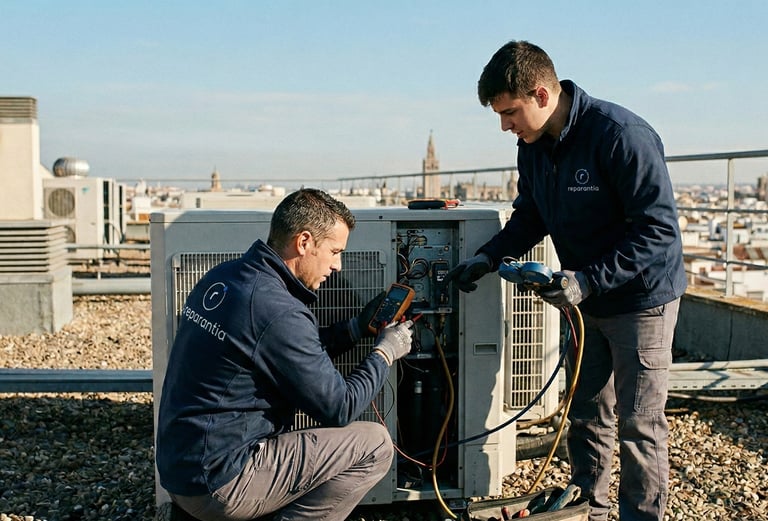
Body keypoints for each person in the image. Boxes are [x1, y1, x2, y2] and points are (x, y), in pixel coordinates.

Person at [443, 41, 687, 521]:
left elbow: (658, 230)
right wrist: (489, 257)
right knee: (587, 412)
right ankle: (589, 508)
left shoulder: (620, 135)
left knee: (639, 423)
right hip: (585, 298)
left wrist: (588, 281)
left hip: (641, 301)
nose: (505, 125)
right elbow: (531, 215)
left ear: (540, 94)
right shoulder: (532, 147)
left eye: (509, 112)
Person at [156, 188, 414, 521]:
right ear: (304, 242)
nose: (338, 265)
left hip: (181, 469)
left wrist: (352, 330)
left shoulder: (227, 277)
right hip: (220, 484)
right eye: (335, 251)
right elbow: (340, 407)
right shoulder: (278, 310)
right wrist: (385, 352)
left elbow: (283, 352)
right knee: (375, 444)